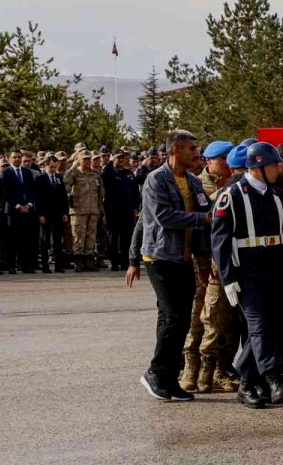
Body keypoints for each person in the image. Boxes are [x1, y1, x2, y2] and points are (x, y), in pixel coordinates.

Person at [211, 141, 283, 408]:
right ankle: (273, 378)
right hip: (247, 272)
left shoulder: (278, 195)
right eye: (274, 165)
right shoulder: (232, 195)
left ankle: (246, 382)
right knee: (259, 324)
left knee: (272, 326)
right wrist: (228, 278)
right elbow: (220, 240)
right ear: (258, 167)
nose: (278, 169)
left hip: (274, 269)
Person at [135, 130, 212, 403]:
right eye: (192, 148)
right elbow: (165, 216)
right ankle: (155, 373)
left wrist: (203, 259)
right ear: (175, 151)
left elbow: (206, 216)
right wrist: (203, 218)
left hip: (185, 259)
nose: (196, 153)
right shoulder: (156, 180)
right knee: (174, 317)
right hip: (160, 258)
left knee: (179, 320)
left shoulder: (192, 181)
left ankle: (169, 379)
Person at [179, 140, 241, 395]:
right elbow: (198, 225)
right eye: (221, 158)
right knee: (197, 318)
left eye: (229, 158)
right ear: (208, 160)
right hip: (200, 261)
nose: (226, 163)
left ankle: (219, 370)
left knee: (223, 320)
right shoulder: (197, 185)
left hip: (221, 262)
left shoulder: (236, 184)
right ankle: (190, 369)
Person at [65, 151, 104, 272]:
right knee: (78, 237)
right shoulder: (75, 173)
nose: (87, 161)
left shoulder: (95, 174)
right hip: (78, 211)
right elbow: (65, 181)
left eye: (89, 159)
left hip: (93, 210)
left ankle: (89, 262)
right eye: (85, 159)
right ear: (79, 160)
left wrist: (99, 208)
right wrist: (74, 165)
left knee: (91, 237)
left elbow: (100, 192)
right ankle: (78, 262)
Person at [102, 150, 139, 272]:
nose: (121, 160)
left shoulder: (129, 174)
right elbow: (104, 187)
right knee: (112, 238)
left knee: (127, 238)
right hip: (112, 211)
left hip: (127, 211)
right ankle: (114, 262)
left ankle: (125, 262)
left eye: (123, 158)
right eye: (119, 158)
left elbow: (135, 192)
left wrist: (135, 208)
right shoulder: (108, 173)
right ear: (114, 159)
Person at [2, 151, 39, 273]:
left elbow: (33, 191)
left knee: (26, 238)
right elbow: (6, 193)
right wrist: (18, 205)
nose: (17, 159)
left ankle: (25, 265)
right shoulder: (6, 173)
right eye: (15, 157)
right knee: (12, 239)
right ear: (9, 159)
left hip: (27, 210)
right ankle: (11, 265)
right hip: (13, 211)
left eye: (19, 157)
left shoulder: (27, 172)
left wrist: (29, 204)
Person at [34, 155, 71, 272]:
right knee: (45, 240)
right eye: (51, 167)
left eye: (55, 167)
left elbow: (63, 197)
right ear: (46, 165)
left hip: (58, 214)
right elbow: (37, 198)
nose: (53, 169)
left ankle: (58, 266)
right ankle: (45, 266)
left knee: (58, 240)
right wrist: (40, 214)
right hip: (45, 214)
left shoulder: (59, 178)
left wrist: (65, 212)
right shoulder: (40, 179)